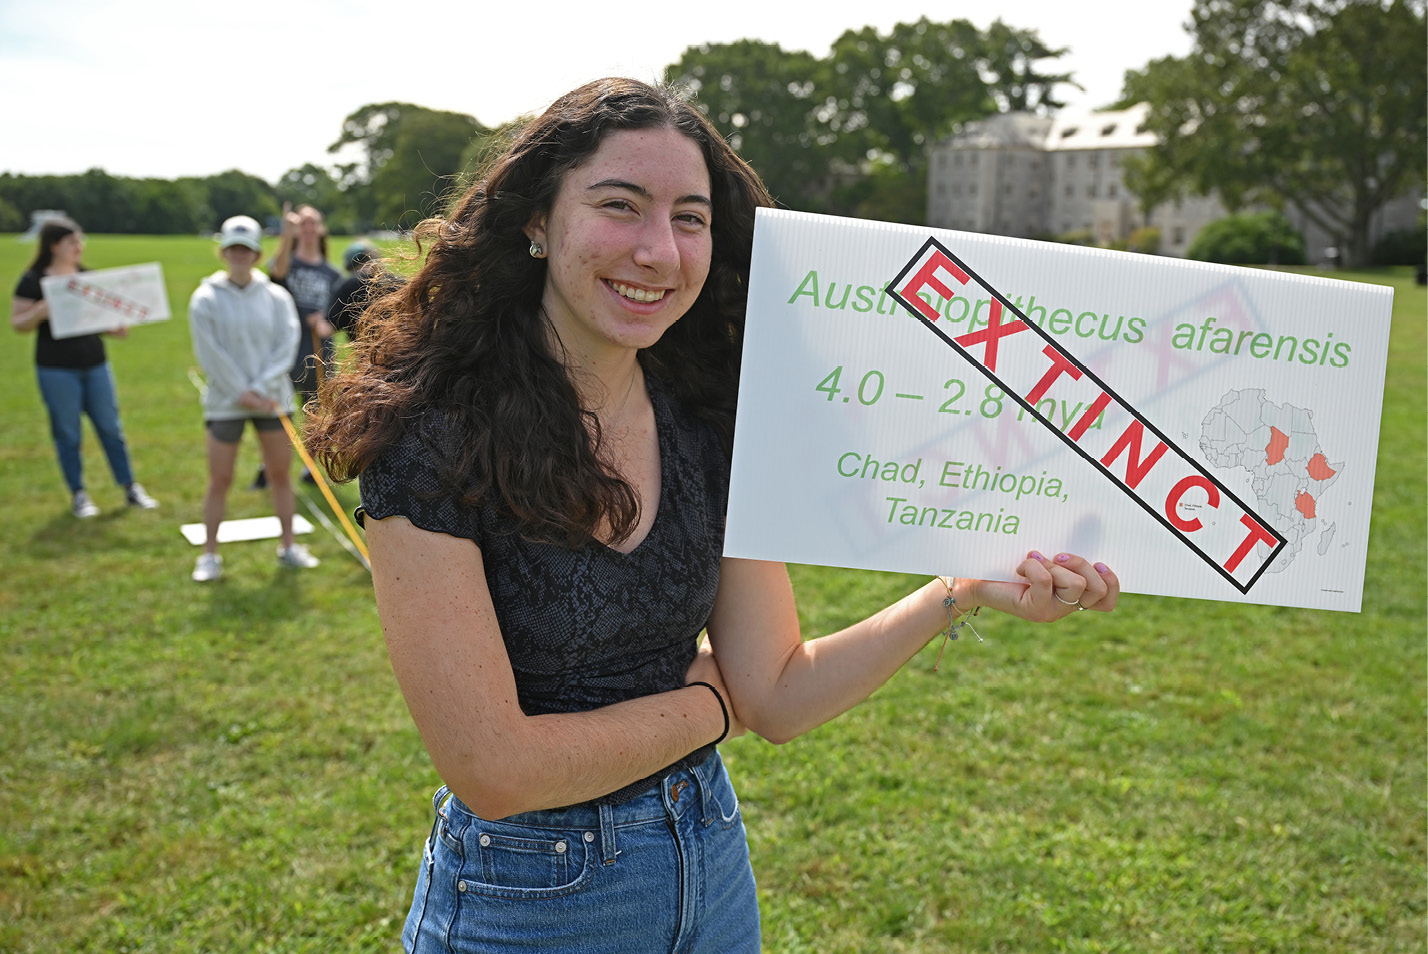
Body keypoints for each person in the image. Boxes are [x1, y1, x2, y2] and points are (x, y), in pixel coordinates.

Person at [305, 78, 1119, 953]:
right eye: (621, 206)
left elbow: (778, 689)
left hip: (711, 862)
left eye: (690, 219)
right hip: (530, 896)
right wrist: (707, 710)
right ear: (537, 221)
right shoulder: (433, 440)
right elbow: (494, 769)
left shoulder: (709, 421)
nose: (660, 250)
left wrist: (956, 593)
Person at [188, 215, 320, 582]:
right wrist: (242, 392)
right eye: (233, 249)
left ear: (257, 253)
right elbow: (209, 353)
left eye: (246, 249)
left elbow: (286, 344)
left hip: (271, 399)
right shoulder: (205, 298)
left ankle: (289, 546)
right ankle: (210, 555)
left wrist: (259, 389)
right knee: (220, 477)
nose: (239, 255)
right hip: (225, 402)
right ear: (223, 252)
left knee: (280, 474)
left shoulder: (277, 296)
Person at [10, 216, 159, 518]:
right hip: (55, 368)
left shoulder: (88, 279)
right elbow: (18, 323)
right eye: (72, 242)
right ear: (54, 246)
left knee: (110, 428)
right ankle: (79, 494)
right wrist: (39, 312)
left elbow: (95, 321)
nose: (79, 247)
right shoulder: (33, 280)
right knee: (68, 434)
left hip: (95, 364)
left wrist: (114, 329)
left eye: (80, 241)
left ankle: (130, 487)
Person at [254, 203, 340, 489]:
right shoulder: (288, 262)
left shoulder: (332, 274)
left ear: (321, 228)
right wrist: (286, 234)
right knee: (276, 409)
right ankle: (268, 466)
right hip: (285, 351)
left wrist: (324, 323)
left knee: (315, 412)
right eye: (302, 223)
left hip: (318, 352)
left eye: (312, 222)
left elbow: (337, 317)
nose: (307, 228)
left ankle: (310, 468)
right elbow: (275, 273)